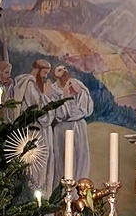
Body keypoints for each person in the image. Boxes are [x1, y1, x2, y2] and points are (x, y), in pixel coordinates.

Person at [11, 59, 60, 199]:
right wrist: (47, 97)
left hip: (37, 131)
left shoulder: (27, 84)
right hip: (35, 132)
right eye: (44, 72)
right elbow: (41, 115)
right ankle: (35, 199)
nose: (45, 76)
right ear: (37, 70)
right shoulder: (30, 84)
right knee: (36, 167)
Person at [51, 64, 94, 185]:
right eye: (60, 70)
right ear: (55, 76)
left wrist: (80, 92)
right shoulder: (53, 91)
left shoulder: (77, 84)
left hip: (79, 126)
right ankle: (62, 192)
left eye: (65, 69)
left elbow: (87, 108)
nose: (64, 71)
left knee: (81, 157)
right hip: (62, 128)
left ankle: (79, 188)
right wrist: (64, 96)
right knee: (63, 160)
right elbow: (58, 114)